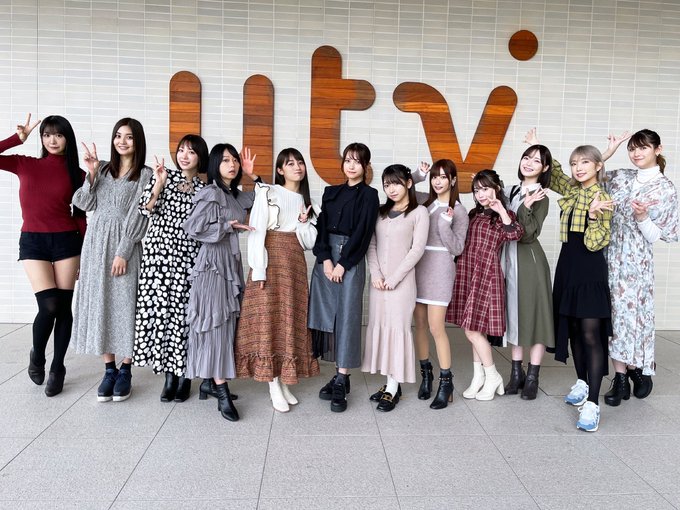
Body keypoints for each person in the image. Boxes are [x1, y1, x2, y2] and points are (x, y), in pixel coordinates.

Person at [526, 129, 614, 432]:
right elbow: (556, 175)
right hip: (568, 265)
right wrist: (537, 147)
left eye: (585, 162)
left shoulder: (603, 198)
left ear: (598, 166)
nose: (578, 168)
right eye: (575, 162)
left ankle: (593, 403)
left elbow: (596, 242)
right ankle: (582, 382)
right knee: (574, 328)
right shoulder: (573, 190)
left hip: (589, 267)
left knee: (590, 333)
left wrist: (593, 217)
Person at [0, 114, 86, 397]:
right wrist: (16, 139)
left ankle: (58, 368)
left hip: (66, 242)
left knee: (63, 308)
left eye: (58, 135)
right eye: (47, 134)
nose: (52, 140)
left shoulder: (77, 175)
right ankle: (37, 355)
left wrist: (83, 252)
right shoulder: (24, 164)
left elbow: (80, 217)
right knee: (48, 306)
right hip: (33, 242)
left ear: (67, 139)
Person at [71, 118, 151, 402]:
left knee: (125, 303)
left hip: (123, 243)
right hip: (96, 244)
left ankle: (126, 369)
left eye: (129, 137)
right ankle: (109, 369)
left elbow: (141, 214)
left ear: (137, 141)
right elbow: (82, 203)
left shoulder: (145, 174)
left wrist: (124, 251)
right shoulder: (103, 168)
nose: (122, 141)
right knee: (101, 302)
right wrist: (91, 174)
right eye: (118, 135)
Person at [235, 148, 321, 413]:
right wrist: (259, 269)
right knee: (269, 320)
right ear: (280, 170)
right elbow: (257, 231)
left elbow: (309, 242)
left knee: (288, 320)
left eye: (300, 162)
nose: (297, 167)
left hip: (294, 263)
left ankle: (283, 380)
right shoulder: (268, 192)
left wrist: (304, 223)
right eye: (290, 163)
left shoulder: (307, 201)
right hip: (270, 260)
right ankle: (272, 383)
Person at [600, 129, 678, 405]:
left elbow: (659, 235)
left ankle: (637, 369)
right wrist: (609, 151)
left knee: (631, 317)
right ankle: (621, 376)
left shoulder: (665, 188)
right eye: (632, 148)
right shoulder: (621, 176)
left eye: (643, 147)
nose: (636, 153)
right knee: (611, 316)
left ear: (657, 149)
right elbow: (588, 175)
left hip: (636, 261)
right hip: (609, 255)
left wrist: (642, 217)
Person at [182, 143, 259, 422]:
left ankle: (209, 383)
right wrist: (227, 226)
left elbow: (264, 196)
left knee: (225, 325)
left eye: (235, 160)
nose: (232, 164)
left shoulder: (234, 195)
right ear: (215, 164)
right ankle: (221, 390)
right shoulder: (212, 192)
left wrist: (252, 175)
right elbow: (192, 228)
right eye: (226, 160)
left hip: (230, 264)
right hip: (213, 266)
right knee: (216, 325)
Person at [132, 134, 209, 402]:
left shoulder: (204, 189)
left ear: (200, 157)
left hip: (188, 259)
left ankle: (185, 375)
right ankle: (168, 376)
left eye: (191, 151)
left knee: (183, 317)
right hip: (159, 259)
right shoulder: (164, 177)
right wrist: (159, 183)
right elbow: (145, 209)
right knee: (162, 315)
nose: (184, 155)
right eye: (181, 150)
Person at [308, 142, 379, 413]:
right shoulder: (331, 192)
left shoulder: (369, 196)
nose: (351, 165)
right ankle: (339, 375)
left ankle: (341, 377)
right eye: (348, 160)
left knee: (348, 316)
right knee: (325, 314)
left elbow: (363, 233)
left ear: (365, 166)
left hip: (350, 259)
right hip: (326, 260)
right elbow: (322, 229)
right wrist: (326, 259)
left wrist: (344, 263)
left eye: (357, 161)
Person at [447, 169, 524, 402]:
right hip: (468, 272)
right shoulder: (473, 213)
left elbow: (515, 234)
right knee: (474, 329)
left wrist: (501, 210)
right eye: (477, 190)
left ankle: (492, 376)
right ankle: (478, 377)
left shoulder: (503, 215)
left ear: (496, 189)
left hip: (486, 275)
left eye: (486, 189)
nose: (481, 194)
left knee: (472, 330)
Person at [362, 164, 429, 412]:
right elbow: (371, 244)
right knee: (381, 328)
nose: (391, 189)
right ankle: (389, 383)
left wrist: (395, 278)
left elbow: (417, 249)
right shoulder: (380, 212)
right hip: (378, 284)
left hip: (402, 284)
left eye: (396, 183)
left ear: (409, 183)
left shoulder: (419, 212)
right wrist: (376, 274)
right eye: (387, 184)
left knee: (397, 330)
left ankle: (393, 386)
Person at [411, 159, 468, 409]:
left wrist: (445, 225)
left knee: (436, 327)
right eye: (435, 176)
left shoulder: (460, 210)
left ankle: (446, 383)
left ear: (453, 180)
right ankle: (426, 375)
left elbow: (457, 248)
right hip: (419, 267)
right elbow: (402, 190)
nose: (438, 181)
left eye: (443, 177)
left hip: (442, 269)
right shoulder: (425, 201)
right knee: (420, 325)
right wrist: (418, 175)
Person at [501, 144, 555, 400]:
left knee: (536, 317)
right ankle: (516, 373)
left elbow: (528, 234)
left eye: (536, 160)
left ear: (545, 168)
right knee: (514, 315)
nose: (529, 163)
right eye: (526, 157)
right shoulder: (510, 190)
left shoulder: (542, 196)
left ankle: (532, 376)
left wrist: (526, 206)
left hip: (529, 263)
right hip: (508, 260)